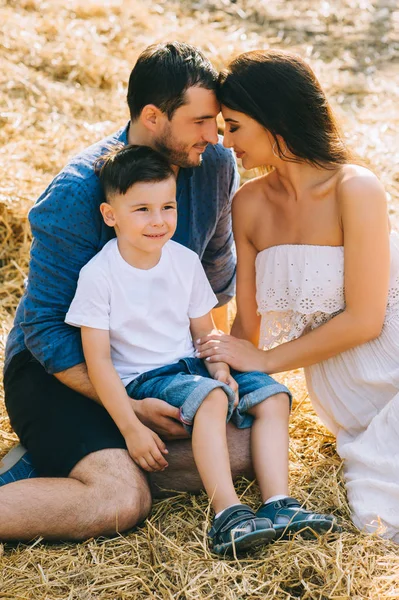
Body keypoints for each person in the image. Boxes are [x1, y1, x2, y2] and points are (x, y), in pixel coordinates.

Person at [0, 42, 243, 541]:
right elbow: (43, 329)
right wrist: (128, 408)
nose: (213, 135)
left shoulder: (214, 165)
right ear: (153, 116)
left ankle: (66, 460)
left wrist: (201, 361)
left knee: (244, 448)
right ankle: (85, 463)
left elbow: (215, 273)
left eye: (215, 121)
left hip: (155, 364)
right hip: (61, 369)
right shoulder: (75, 193)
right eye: (199, 121)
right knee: (119, 499)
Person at [65, 143, 338, 554]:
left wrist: (221, 366)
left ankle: (280, 504)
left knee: (273, 395)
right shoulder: (99, 275)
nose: (158, 221)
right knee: (210, 397)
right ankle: (228, 515)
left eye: (167, 207)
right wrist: (131, 427)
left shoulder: (183, 260)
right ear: (110, 215)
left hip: (192, 366)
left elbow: (204, 332)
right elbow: (98, 361)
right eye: (142, 210)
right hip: (146, 378)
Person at [195, 49, 399, 542]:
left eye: (235, 126)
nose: (225, 141)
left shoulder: (355, 187)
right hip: (345, 394)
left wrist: (266, 361)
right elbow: (247, 326)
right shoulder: (247, 204)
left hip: (390, 360)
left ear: (275, 121)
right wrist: (221, 371)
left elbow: (366, 320)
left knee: (381, 506)